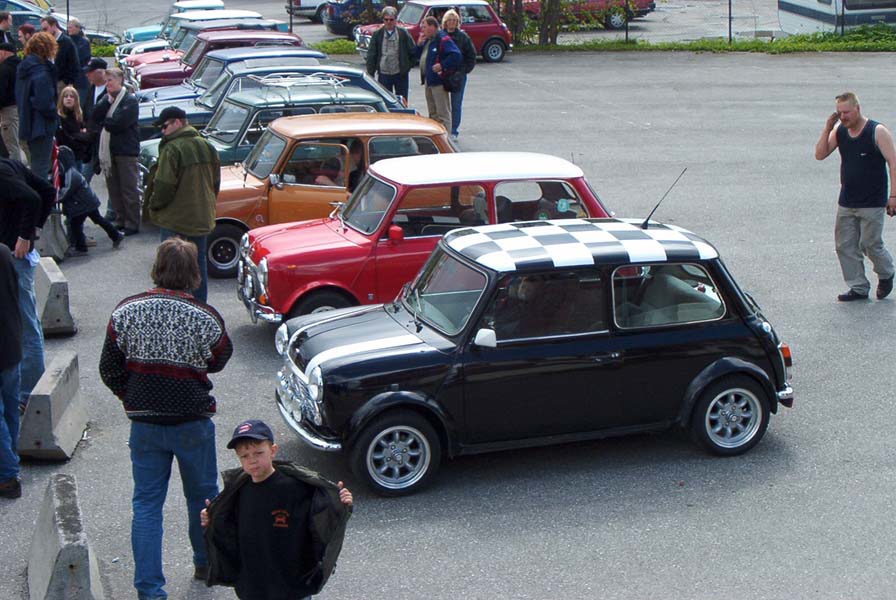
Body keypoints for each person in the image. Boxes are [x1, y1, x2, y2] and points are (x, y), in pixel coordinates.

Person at [99, 237, 233, 600]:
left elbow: (109, 368)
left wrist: (130, 396)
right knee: (202, 498)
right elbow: (220, 358)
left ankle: (150, 590)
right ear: (194, 273)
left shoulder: (126, 311)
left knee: (146, 506)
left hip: (145, 425)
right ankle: (205, 563)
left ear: (156, 268)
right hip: (192, 422)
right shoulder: (204, 316)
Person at [200, 419, 353, 599]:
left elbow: (323, 518)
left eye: (258, 453)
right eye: (244, 456)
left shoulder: (295, 488)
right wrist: (211, 520)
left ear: (273, 450)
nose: (252, 460)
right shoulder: (238, 491)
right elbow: (228, 530)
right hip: (253, 587)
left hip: (292, 586)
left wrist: (341, 503)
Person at [815, 91, 896, 301]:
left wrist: (893, 196)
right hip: (847, 200)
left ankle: (886, 273)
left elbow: (893, 162)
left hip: (872, 201)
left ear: (857, 109)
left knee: (870, 244)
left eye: (847, 112)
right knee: (844, 245)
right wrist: (827, 128)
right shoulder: (840, 131)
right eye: (839, 113)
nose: (843, 117)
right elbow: (820, 154)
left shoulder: (876, 131)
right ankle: (858, 287)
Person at [144, 106, 220, 303]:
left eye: (164, 126)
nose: (162, 131)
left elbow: (164, 185)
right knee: (198, 265)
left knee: (170, 264)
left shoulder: (172, 148)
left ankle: (172, 305)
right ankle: (200, 306)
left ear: (177, 122)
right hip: (201, 216)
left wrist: (154, 205)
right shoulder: (207, 146)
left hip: (175, 218)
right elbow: (215, 182)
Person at [0, 155, 55, 409]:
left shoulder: (2, 173)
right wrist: (35, 230)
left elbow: (33, 198)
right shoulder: (10, 164)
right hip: (16, 256)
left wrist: (25, 235)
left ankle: (28, 393)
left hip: (15, 257)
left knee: (24, 325)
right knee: (24, 322)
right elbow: (47, 191)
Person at [94, 67, 140, 236]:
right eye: (106, 81)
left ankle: (132, 223)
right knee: (114, 188)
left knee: (128, 189)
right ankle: (120, 219)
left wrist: (104, 121)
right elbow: (94, 116)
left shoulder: (129, 101)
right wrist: (106, 105)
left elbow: (119, 123)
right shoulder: (105, 99)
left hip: (126, 151)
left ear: (120, 80)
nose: (108, 84)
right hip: (110, 151)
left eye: (110, 80)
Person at [56, 145, 123, 257]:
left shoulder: (71, 175)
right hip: (88, 202)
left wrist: (57, 198)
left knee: (75, 224)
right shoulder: (71, 172)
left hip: (82, 204)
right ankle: (116, 235)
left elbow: (67, 190)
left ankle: (81, 247)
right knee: (98, 219)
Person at [16, 31, 58, 180]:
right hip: (41, 126)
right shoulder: (42, 72)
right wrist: (55, 114)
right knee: (41, 167)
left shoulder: (24, 69)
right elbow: (44, 102)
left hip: (27, 122)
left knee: (35, 164)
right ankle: (39, 195)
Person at [0, 243, 22, 499]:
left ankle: (7, 475)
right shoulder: (4, 252)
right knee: (10, 408)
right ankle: (10, 462)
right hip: (11, 343)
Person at [415, 16, 461, 134]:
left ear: (432, 27)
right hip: (429, 81)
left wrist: (442, 65)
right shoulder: (428, 40)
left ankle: (447, 138)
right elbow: (417, 56)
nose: (422, 30)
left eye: (424, 27)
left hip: (439, 82)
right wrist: (419, 45)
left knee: (443, 113)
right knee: (433, 113)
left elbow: (456, 55)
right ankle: (435, 137)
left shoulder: (443, 39)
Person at [365, 6, 416, 101]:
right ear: (383, 20)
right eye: (386, 19)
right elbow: (371, 55)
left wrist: (407, 66)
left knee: (402, 101)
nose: (389, 22)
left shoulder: (403, 33)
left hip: (400, 74)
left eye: (391, 19)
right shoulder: (377, 34)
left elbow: (413, 51)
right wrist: (371, 73)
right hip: (384, 74)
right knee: (386, 101)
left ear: (396, 20)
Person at [441, 10, 475, 141]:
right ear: (445, 22)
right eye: (449, 20)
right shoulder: (441, 36)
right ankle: (444, 128)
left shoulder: (463, 37)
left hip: (458, 76)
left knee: (456, 104)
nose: (452, 23)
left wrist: (464, 70)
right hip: (443, 75)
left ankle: (454, 130)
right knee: (443, 105)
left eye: (454, 20)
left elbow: (471, 55)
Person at [82, 57, 107, 185]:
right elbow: (86, 112)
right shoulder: (91, 89)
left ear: (101, 72)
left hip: (106, 141)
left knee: (111, 179)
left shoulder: (110, 91)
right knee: (84, 176)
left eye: (90, 72)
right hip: (92, 141)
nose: (87, 75)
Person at [40, 16, 79, 94]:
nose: (44, 32)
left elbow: (74, 63)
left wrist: (67, 81)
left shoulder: (66, 42)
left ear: (54, 25)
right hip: (49, 81)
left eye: (45, 29)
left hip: (61, 82)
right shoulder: (46, 42)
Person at [55, 85, 91, 170]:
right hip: (65, 156)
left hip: (79, 155)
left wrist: (78, 136)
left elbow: (87, 135)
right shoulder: (59, 117)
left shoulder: (79, 116)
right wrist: (79, 136)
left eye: (72, 96)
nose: (69, 98)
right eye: (66, 96)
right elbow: (63, 137)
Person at [0, 42, 22, 162]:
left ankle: (16, 169)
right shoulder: (21, 65)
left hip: (8, 110)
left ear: (4, 52)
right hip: (21, 108)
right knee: (19, 143)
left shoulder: (4, 69)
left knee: (11, 145)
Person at [65, 17, 90, 104]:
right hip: (68, 78)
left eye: (70, 27)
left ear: (78, 28)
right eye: (68, 27)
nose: (69, 30)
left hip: (80, 78)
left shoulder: (84, 42)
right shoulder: (66, 40)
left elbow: (84, 58)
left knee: (80, 103)